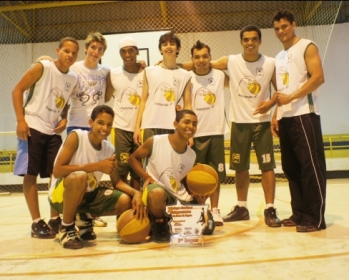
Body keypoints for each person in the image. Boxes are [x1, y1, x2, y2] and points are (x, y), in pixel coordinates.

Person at [181, 26, 281, 227]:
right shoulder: (231, 61)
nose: (250, 43)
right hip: (239, 122)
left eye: (254, 39)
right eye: (246, 39)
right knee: (240, 167)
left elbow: (280, 92)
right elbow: (201, 63)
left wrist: (273, 111)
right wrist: (169, 64)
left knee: (267, 166)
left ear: (260, 41)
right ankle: (242, 207)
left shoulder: (270, 63)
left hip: (261, 123)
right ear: (241, 42)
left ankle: (270, 208)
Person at [48, 105, 146, 249]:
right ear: (90, 122)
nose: (104, 128)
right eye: (100, 122)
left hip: (87, 194)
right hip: (60, 196)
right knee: (79, 177)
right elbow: (57, 171)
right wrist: (97, 166)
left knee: (125, 200)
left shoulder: (109, 149)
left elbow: (117, 182)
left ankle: (83, 217)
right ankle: (66, 227)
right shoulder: (76, 137)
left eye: (109, 124)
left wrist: (136, 193)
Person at [12, 37, 79, 239]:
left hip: (52, 131)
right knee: (30, 174)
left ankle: (54, 218)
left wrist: (65, 118)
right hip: (32, 126)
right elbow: (17, 90)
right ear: (58, 50)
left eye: (74, 53)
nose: (70, 55)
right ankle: (36, 222)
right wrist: (20, 120)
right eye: (66, 51)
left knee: (57, 174)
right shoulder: (43, 66)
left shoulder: (73, 78)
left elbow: (67, 102)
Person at [48, 32, 113, 231]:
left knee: (92, 170)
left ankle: (83, 212)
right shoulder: (75, 67)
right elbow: (63, 86)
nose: (96, 52)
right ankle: (55, 215)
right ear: (86, 48)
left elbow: (108, 95)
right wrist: (46, 60)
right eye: (93, 47)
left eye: (100, 49)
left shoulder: (105, 72)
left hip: (97, 126)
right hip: (77, 123)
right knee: (69, 169)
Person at [272, 10, 326, 232]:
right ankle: (300, 213)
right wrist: (276, 114)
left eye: (284, 26)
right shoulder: (278, 56)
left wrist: (292, 98)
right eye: (277, 28)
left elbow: (318, 78)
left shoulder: (307, 45)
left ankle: (315, 218)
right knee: (291, 168)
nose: (281, 31)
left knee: (310, 167)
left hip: (304, 114)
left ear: (293, 25)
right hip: (286, 118)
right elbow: (281, 90)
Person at [128, 110, 215, 241]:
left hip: (178, 195)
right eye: (186, 122)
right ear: (175, 124)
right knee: (157, 193)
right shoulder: (155, 141)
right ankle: (159, 222)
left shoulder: (192, 155)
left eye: (194, 124)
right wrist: (146, 176)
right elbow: (133, 159)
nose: (190, 126)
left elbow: (185, 180)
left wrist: (198, 198)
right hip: (156, 189)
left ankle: (171, 219)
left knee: (207, 227)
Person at [188, 40, 230, 226]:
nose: (201, 60)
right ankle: (200, 210)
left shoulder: (220, 75)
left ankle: (214, 210)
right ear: (192, 59)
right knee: (196, 175)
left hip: (216, 132)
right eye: (197, 57)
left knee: (214, 175)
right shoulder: (187, 77)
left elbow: (231, 62)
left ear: (210, 57)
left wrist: (213, 64)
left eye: (205, 56)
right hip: (195, 135)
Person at [133, 31, 192, 146]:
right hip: (149, 125)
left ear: (178, 48)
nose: (168, 46)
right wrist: (137, 127)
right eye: (165, 44)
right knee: (150, 163)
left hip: (173, 126)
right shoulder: (149, 71)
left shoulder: (185, 75)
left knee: (171, 163)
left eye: (172, 43)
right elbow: (143, 101)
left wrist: (188, 131)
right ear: (160, 49)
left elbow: (188, 105)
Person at [109, 37, 144, 191]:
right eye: (123, 51)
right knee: (121, 169)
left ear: (137, 52)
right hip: (120, 127)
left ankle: (136, 206)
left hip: (141, 128)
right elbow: (105, 95)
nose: (127, 54)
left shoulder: (147, 73)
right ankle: (123, 206)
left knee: (137, 170)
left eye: (131, 50)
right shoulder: (113, 73)